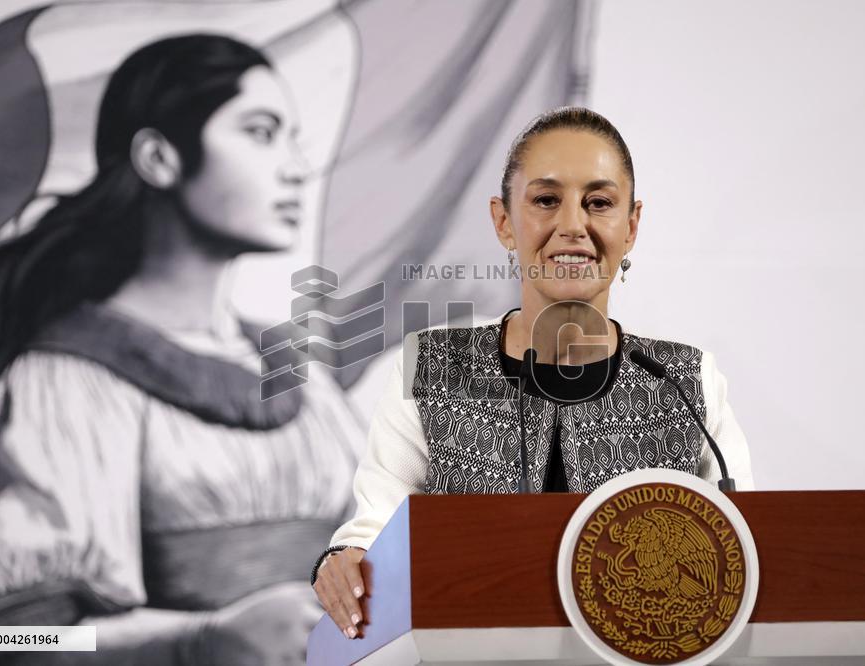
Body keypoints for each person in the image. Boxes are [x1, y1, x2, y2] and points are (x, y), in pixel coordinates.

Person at [0, 35, 364, 665]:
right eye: (261, 132)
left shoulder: (298, 374)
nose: (297, 166)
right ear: (159, 157)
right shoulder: (67, 381)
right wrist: (199, 639)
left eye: (293, 136)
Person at [311, 106, 755, 640]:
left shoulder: (685, 381)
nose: (573, 226)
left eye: (599, 203)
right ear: (504, 222)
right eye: (546, 200)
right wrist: (348, 557)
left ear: (632, 225)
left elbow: (741, 549)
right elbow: (377, 523)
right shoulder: (430, 368)